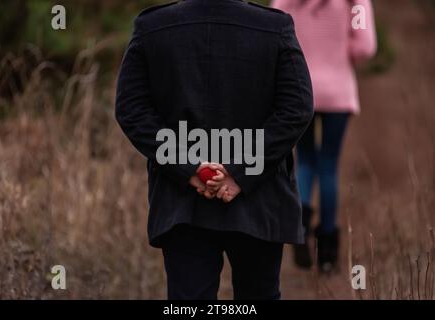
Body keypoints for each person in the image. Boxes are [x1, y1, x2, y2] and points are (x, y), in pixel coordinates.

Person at [115, 0, 313, 300]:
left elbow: (132, 110)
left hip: (182, 203)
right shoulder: (275, 28)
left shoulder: (152, 27)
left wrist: (191, 168)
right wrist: (238, 172)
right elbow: (296, 109)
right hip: (260, 201)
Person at [271, 0, 377, 272]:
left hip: (299, 90)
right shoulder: (354, 3)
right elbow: (365, 47)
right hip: (338, 90)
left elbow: (276, 36)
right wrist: (341, 53)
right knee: (329, 165)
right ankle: (328, 253)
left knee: (304, 160)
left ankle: (301, 225)